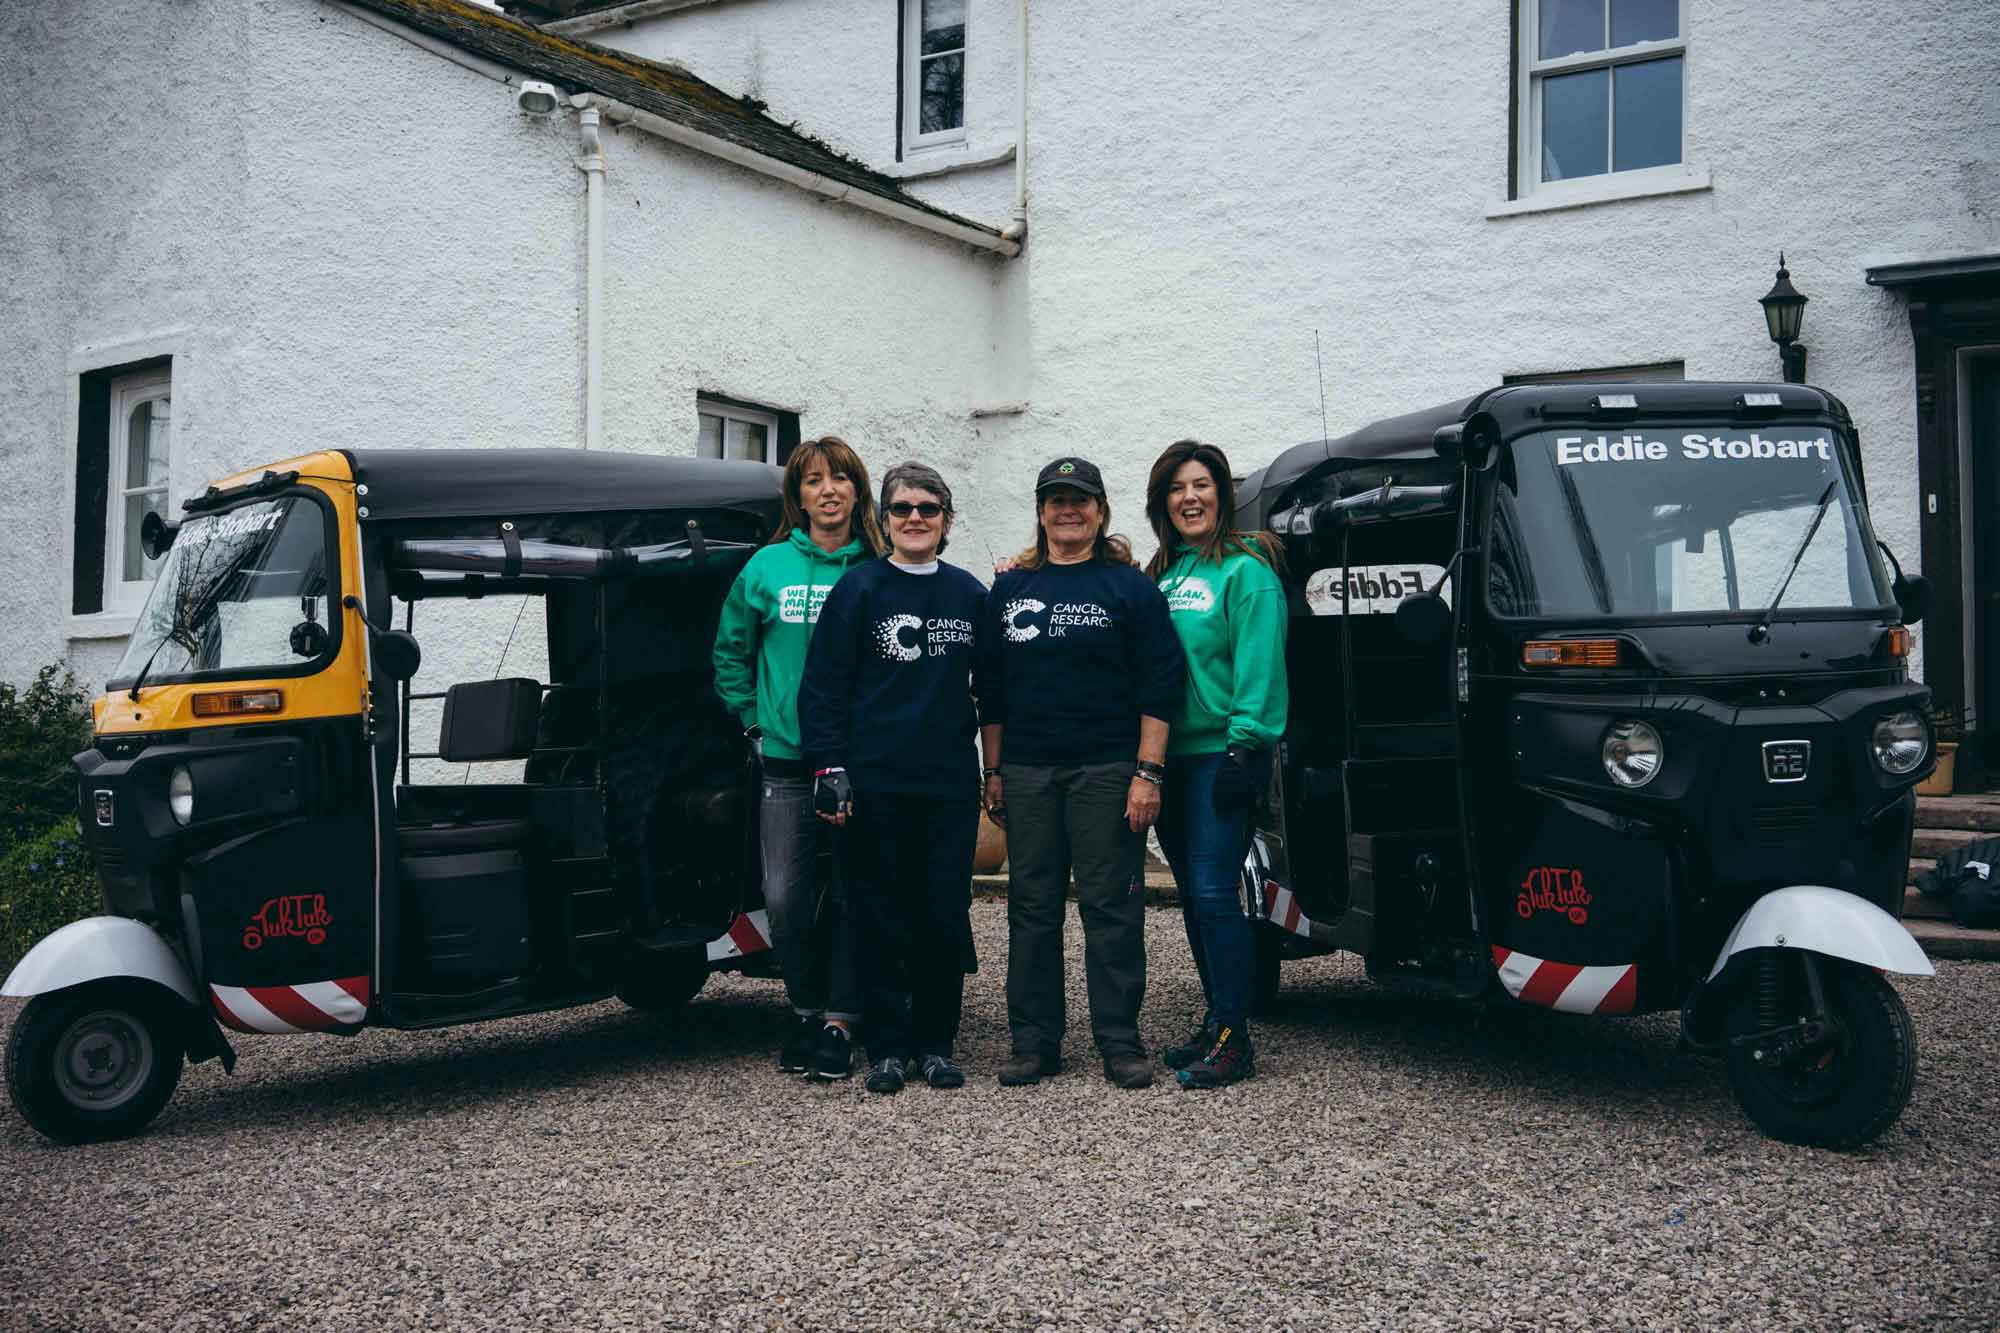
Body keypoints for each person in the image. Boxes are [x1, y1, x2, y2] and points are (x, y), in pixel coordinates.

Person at [978, 457, 1185, 1090]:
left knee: (1111, 907)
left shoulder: (1129, 589)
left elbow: (1161, 686)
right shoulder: (1010, 590)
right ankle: (1034, 1042)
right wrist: (993, 770)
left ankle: (1120, 1040)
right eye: (1056, 499)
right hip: (1028, 769)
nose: (1069, 510)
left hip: (1107, 768)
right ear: (1040, 512)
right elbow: (990, 689)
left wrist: (1148, 772)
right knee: (1031, 907)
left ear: (1100, 510)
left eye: (1081, 500)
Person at [798, 462, 988, 1095]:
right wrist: (829, 769)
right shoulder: (859, 590)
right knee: (877, 914)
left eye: (928, 509)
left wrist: (999, 771)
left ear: (947, 521)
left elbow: (995, 689)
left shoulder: (968, 595)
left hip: (947, 786)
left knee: (941, 913)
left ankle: (935, 1043)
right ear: (883, 520)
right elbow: (822, 688)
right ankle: (886, 1046)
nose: (914, 519)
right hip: (873, 783)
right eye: (902, 508)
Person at [713, 436, 885, 1082]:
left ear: (857, 491)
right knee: (785, 896)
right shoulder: (766, 568)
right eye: (814, 480)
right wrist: (752, 720)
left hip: (862, 762)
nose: (829, 490)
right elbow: (731, 652)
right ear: (798, 495)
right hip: (786, 760)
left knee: (853, 892)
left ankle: (844, 1016)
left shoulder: (877, 566)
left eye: (841, 478)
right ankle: (807, 1006)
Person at [1144, 439, 1289, 1090]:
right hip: (1168, 759)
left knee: (1212, 890)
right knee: (1195, 898)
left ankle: (1236, 1036)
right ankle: (1217, 1019)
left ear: (1223, 495)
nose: (1190, 497)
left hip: (1222, 756)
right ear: (1163, 503)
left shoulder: (1245, 571)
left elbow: (1260, 664)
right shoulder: (1164, 574)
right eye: (1177, 488)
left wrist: (1246, 744)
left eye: (1201, 485)